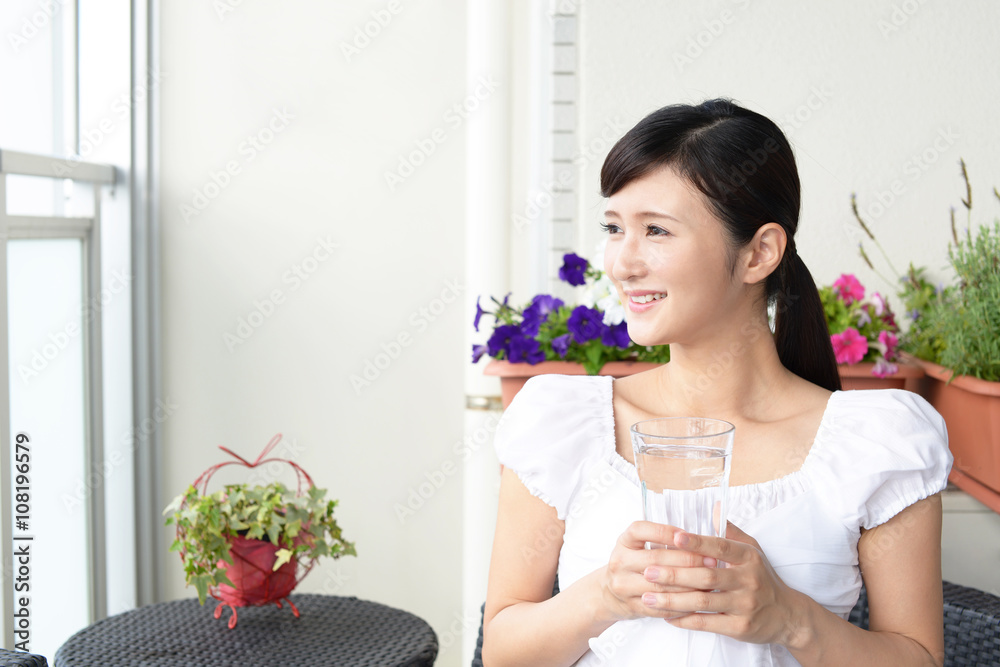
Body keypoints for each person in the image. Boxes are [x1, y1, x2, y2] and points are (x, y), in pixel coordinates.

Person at [482, 99, 952, 666]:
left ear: (759, 253)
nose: (622, 263)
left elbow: (918, 659)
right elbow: (505, 651)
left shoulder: (876, 444)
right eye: (614, 228)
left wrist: (789, 618)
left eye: (656, 230)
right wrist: (603, 596)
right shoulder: (563, 424)